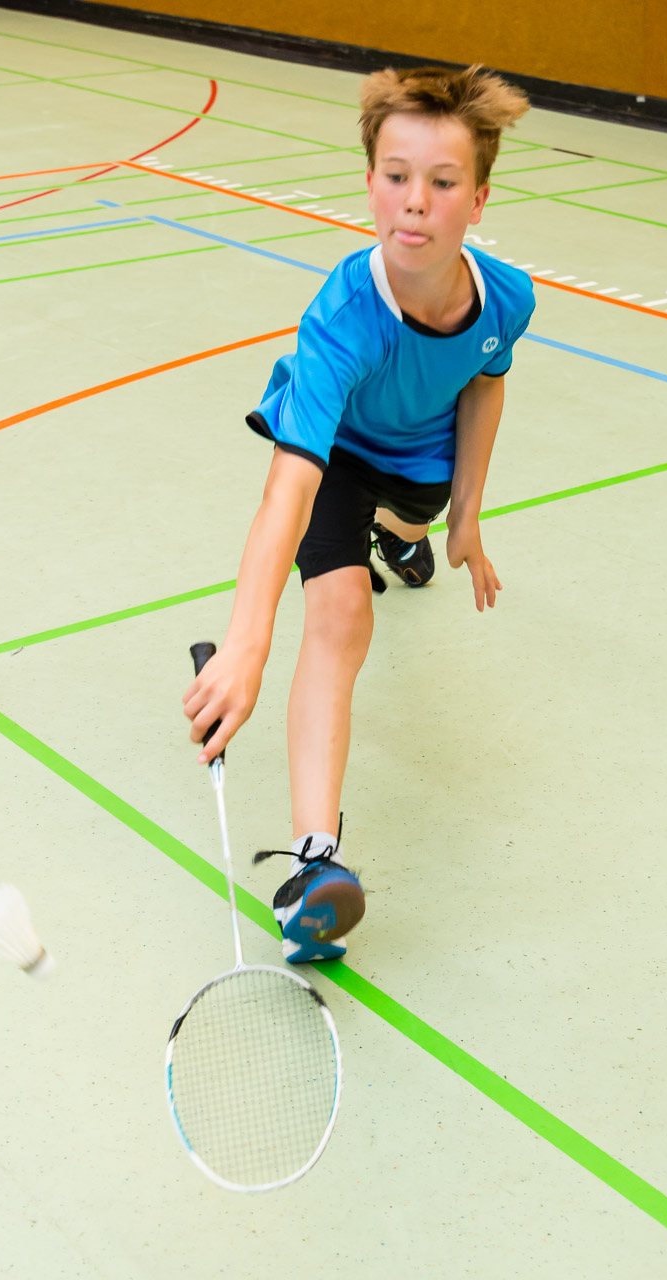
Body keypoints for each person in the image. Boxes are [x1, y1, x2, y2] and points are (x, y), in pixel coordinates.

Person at [183, 64, 534, 963]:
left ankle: (404, 538)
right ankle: (315, 864)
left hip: (423, 466)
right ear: (370, 180)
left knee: (413, 532)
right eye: (396, 175)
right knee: (341, 615)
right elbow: (287, 488)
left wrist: (466, 515)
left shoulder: (507, 298)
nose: (415, 201)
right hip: (337, 454)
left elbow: (485, 383)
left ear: (478, 199)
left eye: (442, 182)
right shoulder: (342, 318)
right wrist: (248, 641)